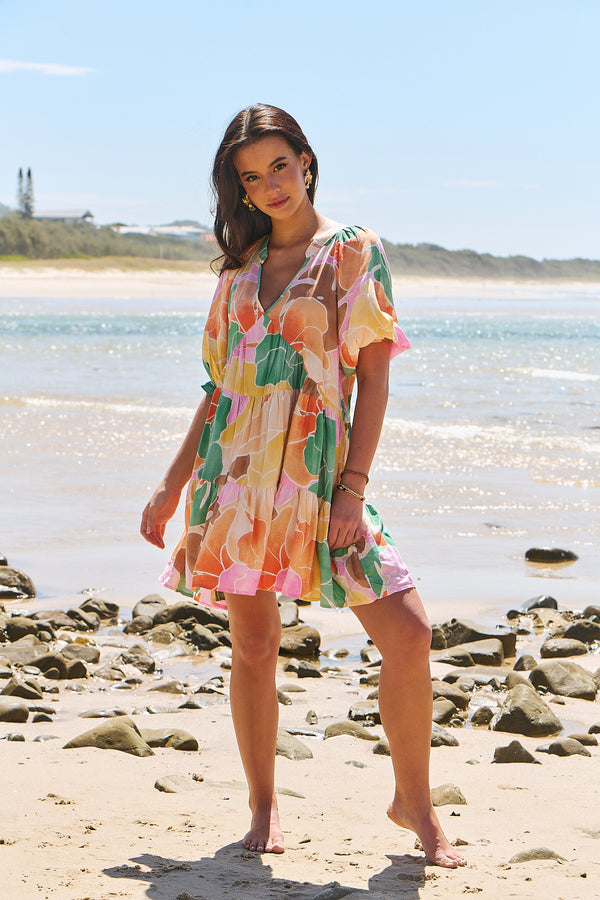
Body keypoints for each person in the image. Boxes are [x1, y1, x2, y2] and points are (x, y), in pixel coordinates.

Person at [141, 103, 466, 868]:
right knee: (254, 644)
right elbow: (219, 391)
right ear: (240, 189)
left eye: (279, 166)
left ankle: (414, 803)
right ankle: (263, 804)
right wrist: (170, 486)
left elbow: (375, 377)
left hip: (320, 478)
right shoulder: (238, 271)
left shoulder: (353, 251)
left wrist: (353, 488)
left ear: (307, 162)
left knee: (409, 633)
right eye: (251, 177)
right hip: (236, 479)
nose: (270, 185)